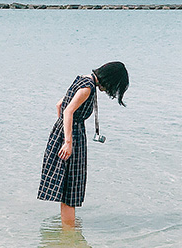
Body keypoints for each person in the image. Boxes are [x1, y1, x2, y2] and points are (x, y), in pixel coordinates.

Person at [38, 61, 129, 227]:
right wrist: (68, 142)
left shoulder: (82, 79)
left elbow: (60, 104)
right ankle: (69, 234)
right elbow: (68, 111)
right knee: (71, 189)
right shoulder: (88, 88)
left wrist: (60, 131)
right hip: (73, 135)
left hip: (62, 131)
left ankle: (68, 228)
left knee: (65, 186)